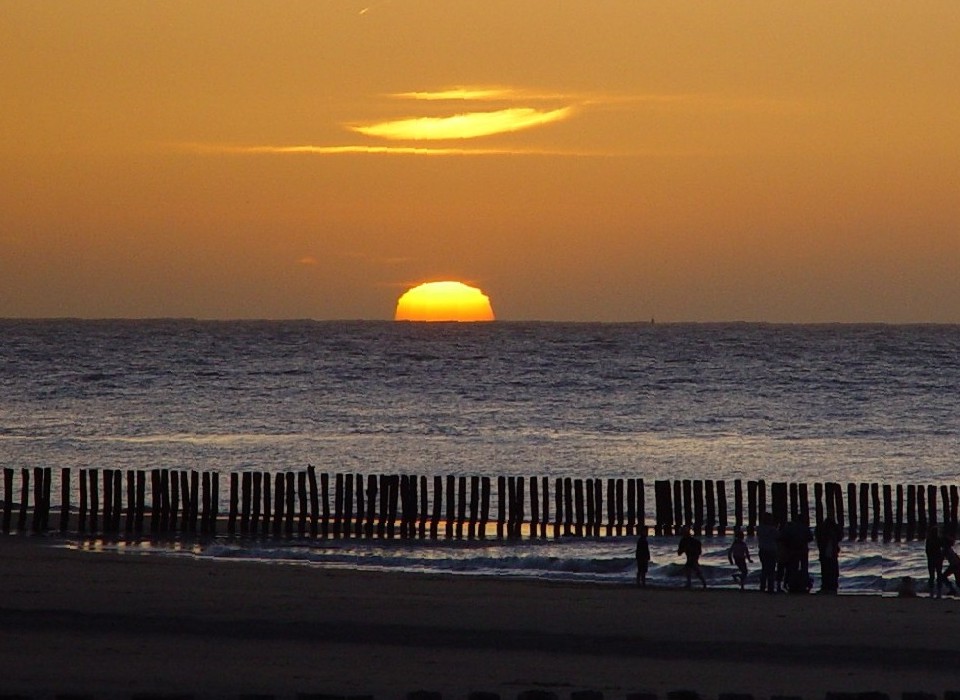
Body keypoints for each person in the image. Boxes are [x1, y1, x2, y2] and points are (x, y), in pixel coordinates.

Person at [815, 516, 842, 594]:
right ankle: (830, 586)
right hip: (830, 553)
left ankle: (828, 586)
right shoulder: (830, 531)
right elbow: (840, 537)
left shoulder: (823, 530)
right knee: (831, 569)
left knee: (826, 570)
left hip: (828, 553)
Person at [677, 525, 706, 589]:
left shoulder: (687, 541)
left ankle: (693, 583)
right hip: (692, 557)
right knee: (693, 569)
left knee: (691, 569)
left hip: (693, 556)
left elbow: (679, 552)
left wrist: (685, 549)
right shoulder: (685, 541)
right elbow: (679, 552)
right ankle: (701, 583)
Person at [756, 512, 779, 593]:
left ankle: (762, 587)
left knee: (764, 569)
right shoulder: (773, 529)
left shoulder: (759, 528)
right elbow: (778, 537)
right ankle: (770, 587)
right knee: (771, 570)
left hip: (762, 550)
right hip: (771, 550)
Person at [925, 525, 945, 598]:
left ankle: (932, 592)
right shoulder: (939, 539)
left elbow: (927, 551)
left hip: (931, 560)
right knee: (938, 575)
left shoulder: (929, 540)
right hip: (938, 559)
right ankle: (939, 592)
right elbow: (944, 547)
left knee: (932, 576)